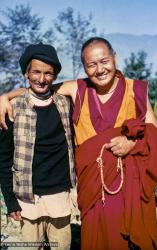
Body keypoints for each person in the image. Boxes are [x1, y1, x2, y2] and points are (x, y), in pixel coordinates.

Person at [0, 37, 157, 250]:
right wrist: (6, 96)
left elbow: (156, 136)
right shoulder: (77, 89)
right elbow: (41, 88)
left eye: (104, 61)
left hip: (128, 186)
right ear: (84, 68)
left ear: (114, 58)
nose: (100, 69)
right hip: (93, 187)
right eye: (91, 65)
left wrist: (132, 144)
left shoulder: (135, 90)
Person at [0, 43, 76, 250]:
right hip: (27, 198)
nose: (41, 79)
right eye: (36, 72)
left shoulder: (66, 104)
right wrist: (10, 201)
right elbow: (4, 158)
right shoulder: (12, 109)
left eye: (48, 73)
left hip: (60, 196)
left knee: (62, 245)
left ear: (55, 75)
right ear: (26, 73)